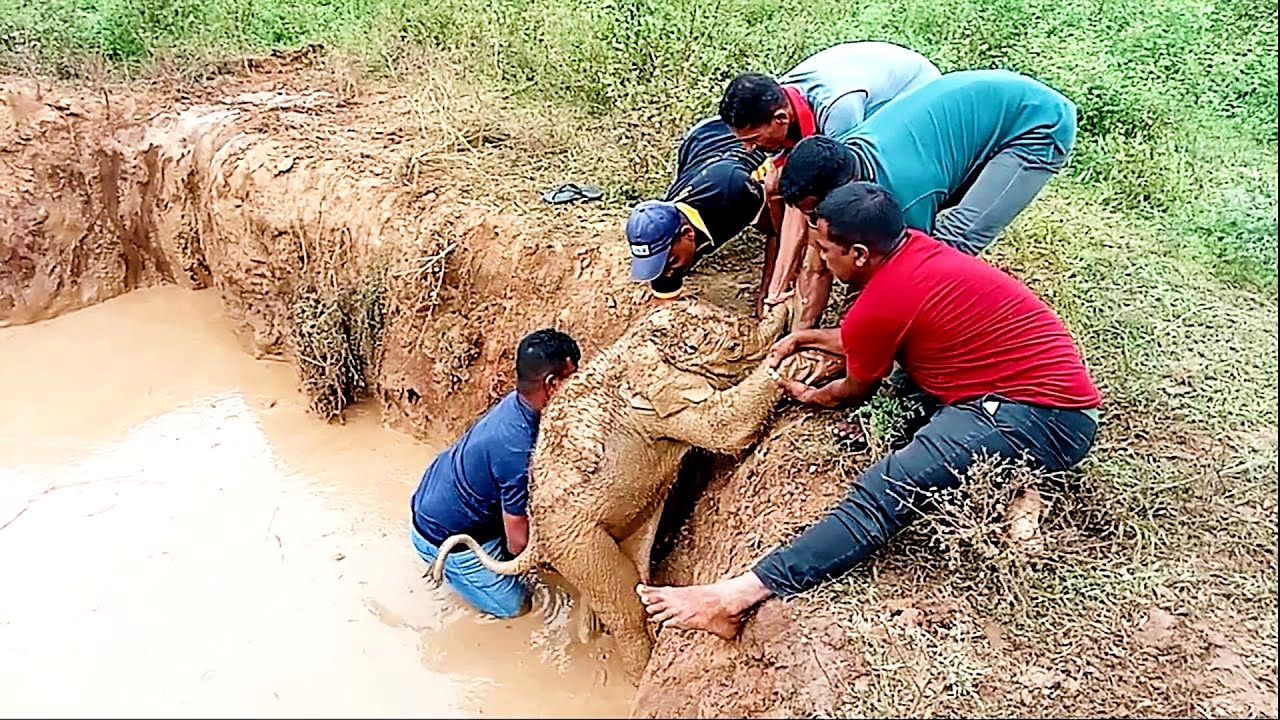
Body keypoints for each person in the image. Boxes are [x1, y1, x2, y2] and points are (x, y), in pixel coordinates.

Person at [636, 181, 1101, 638]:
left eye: (824, 249)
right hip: (1036, 398)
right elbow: (870, 333)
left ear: (858, 254)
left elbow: (851, 391)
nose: (819, 258)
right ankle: (1022, 485)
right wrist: (808, 336)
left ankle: (736, 597)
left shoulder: (880, 303)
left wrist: (808, 396)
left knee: (884, 494)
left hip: (1037, 415)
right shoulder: (914, 254)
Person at [772, 69, 1079, 329]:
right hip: (977, 107)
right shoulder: (837, 159)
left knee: (946, 249)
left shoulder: (905, 200)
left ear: (843, 192)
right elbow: (817, 265)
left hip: (1033, 125)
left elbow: (906, 273)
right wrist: (799, 331)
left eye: (814, 214)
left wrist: (858, 337)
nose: (812, 223)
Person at [717, 40, 941, 322]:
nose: (750, 150)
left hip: (915, 95)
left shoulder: (838, 111)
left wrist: (817, 258)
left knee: (855, 216)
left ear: (780, 119)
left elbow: (835, 197)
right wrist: (777, 287)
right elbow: (795, 197)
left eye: (753, 140)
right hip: (873, 81)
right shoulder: (779, 99)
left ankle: (867, 306)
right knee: (777, 186)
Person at [410, 328, 581, 618]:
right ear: (552, 384)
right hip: (446, 538)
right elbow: (518, 545)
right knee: (517, 608)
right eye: (574, 378)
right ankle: (456, 572)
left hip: (441, 496)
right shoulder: (518, 450)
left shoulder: (520, 408)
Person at [627, 117, 770, 306]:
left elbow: (777, 232)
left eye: (669, 263)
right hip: (699, 144)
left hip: (741, 131)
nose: (666, 272)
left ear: (688, 233)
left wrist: (766, 294)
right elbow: (665, 297)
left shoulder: (734, 192)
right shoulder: (666, 244)